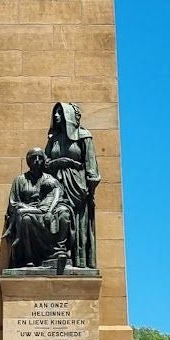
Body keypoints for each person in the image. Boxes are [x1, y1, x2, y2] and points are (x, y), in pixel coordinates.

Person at [43, 102, 100, 269]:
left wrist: (91, 185)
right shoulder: (54, 139)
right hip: (57, 184)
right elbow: (46, 162)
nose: (56, 116)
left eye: (60, 112)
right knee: (59, 214)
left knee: (78, 220)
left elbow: (91, 165)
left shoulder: (84, 136)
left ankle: (79, 259)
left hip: (77, 184)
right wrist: (60, 161)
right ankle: (58, 252)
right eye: (55, 113)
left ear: (68, 115)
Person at [3, 148, 73, 270]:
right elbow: (13, 203)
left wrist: (51, 210)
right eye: (33, 158)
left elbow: (58, 194)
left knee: (64, 212)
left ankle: (59, 250)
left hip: (47, 210)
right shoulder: (20, 180)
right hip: (29, 212)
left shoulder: (50, 179)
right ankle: (29, 258)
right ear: (28, 161)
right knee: (26, 219)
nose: (37, 161)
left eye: (40, 158)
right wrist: (27, 207)